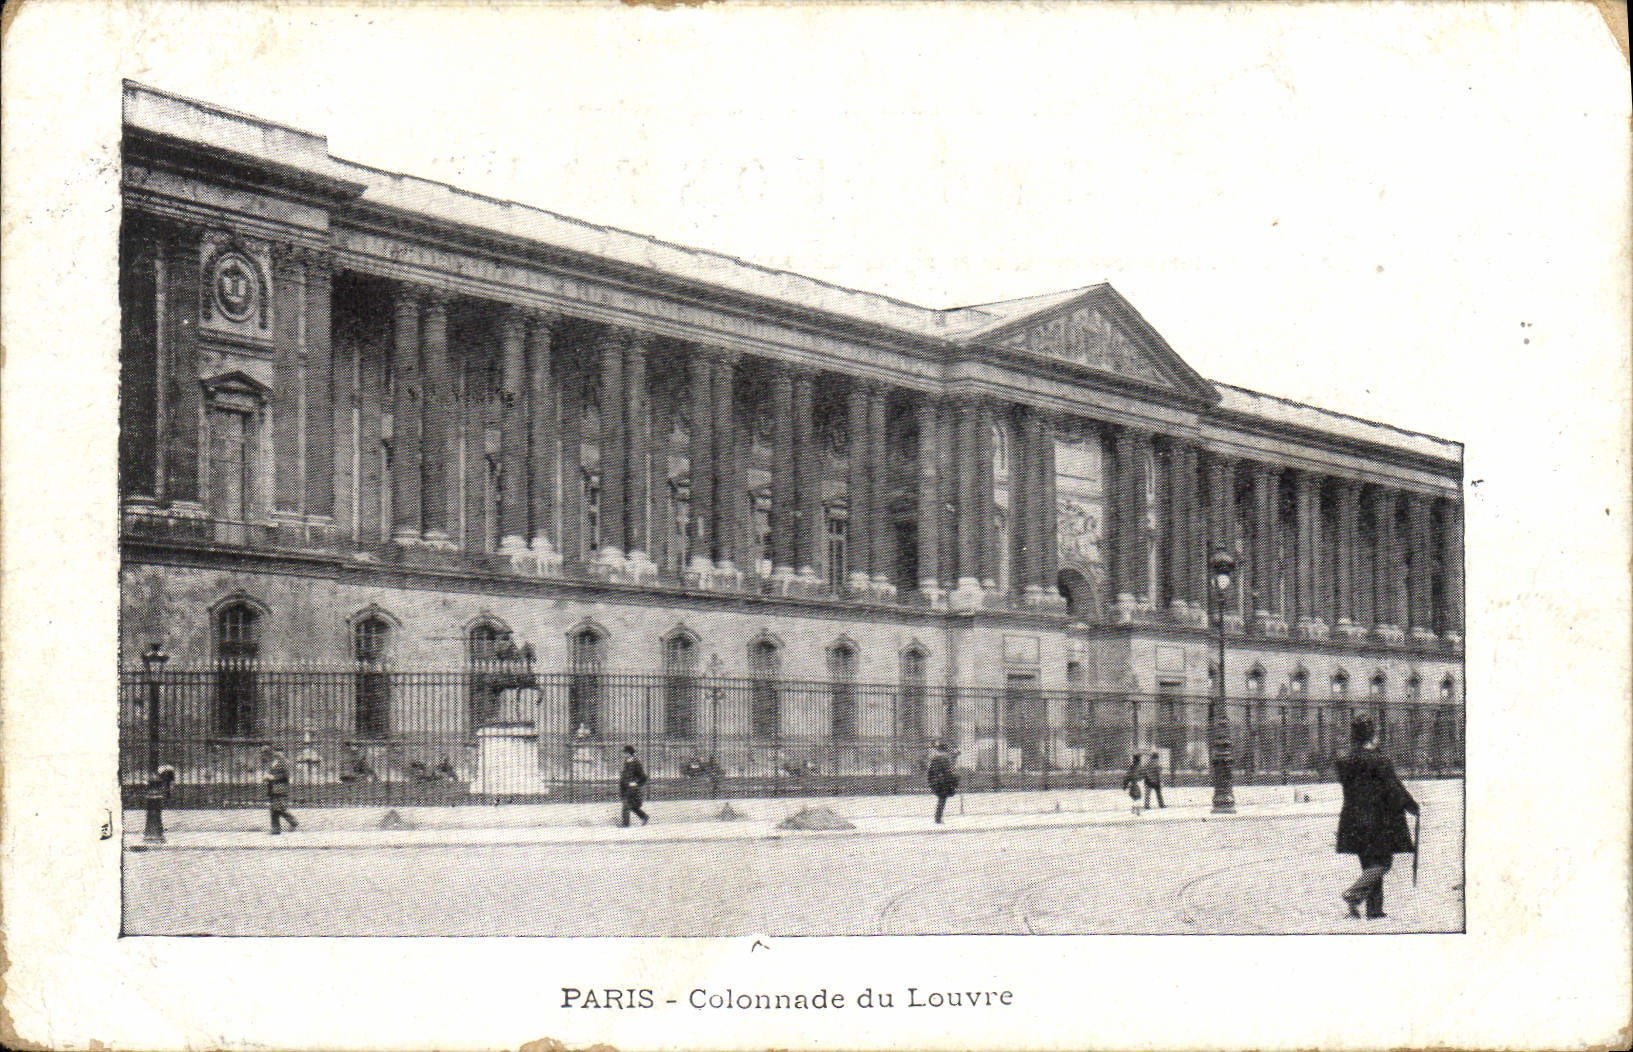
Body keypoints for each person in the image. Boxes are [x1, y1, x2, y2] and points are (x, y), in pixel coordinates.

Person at [1335, 716, 1419, 919]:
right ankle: (1354, 894)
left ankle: (1374, 910)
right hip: (1377, 821)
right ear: (1372, 735)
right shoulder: (1380, 760)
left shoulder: (1345, 761)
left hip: (1353, 820)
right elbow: (1393, 787)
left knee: (1369, 863)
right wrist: (1411, 805)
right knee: (1383, 863)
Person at [262, 747, 298, 835]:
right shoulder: (272, 762)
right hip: (273, 789)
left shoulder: (284, 762)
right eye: (276, 752)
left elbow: (286, 775)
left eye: (279, 752)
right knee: (276, 809)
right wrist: (267, 777)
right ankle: (289, 823)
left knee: (277, 809)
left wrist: (273, 777)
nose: (277, 754)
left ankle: (278, 828)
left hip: (281, 789)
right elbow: (271, 773)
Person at [927, 741, 960, 823]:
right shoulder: (943, 758)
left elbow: (930, 772)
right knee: (942, 799)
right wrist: (955, 778)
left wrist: (932, 781)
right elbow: (948, 771)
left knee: (942, 799)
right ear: (945, 750)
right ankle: (938, 818)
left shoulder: (935, 758)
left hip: (936, 781)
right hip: (943, 782)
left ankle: (938, 818)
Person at [618, 744, 649, 827]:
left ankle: (625, 824)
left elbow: (643, 777)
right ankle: (644, 816)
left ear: (629, 753)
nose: (624, 754)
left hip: (632, 789)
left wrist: (636, 783)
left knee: (626, 805)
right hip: (625, 787)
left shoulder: (636, 763)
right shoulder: (626, 762)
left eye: (625, 752)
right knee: (632, 806)